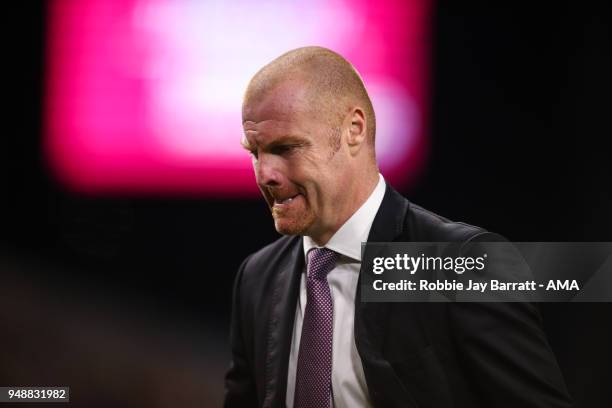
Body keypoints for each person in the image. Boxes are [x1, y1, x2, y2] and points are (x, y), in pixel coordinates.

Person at [224, 46, 572, 408]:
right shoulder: (257, 277)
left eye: (286, 148)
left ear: (353, 131)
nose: (265, 174)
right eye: (255, 152)